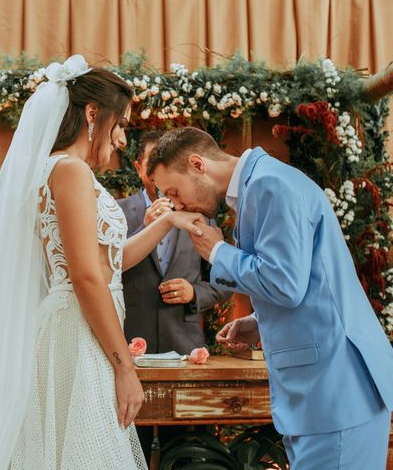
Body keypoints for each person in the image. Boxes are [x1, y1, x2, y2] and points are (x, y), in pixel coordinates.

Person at [0, 56, 204, 470]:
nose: (122, 138)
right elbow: (85, 277)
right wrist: (124, 366)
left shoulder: (57, 170)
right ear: (91, 113)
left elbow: (107, 264)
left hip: (84, 327)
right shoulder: (70, 172)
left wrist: (168, 221)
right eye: (119, 124)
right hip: (78, 333)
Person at [147, 126, 393, 469]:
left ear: (197, 164)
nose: (176, 204)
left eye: (173, 191)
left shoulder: (269, 184)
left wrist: (218, 251)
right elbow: (309, 279)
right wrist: (261, 321)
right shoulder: (261, 184)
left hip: (336, 391)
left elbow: (286, 283)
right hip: (324, 393)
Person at [118, 130, 230, 355]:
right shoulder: (117, 213)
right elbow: (104, 268)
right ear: (139, 166)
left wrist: (194, 293)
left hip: (185, 345)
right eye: (153, 163)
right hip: (128, 342)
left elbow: (227, 280)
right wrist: (145, 229)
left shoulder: (200, 212)